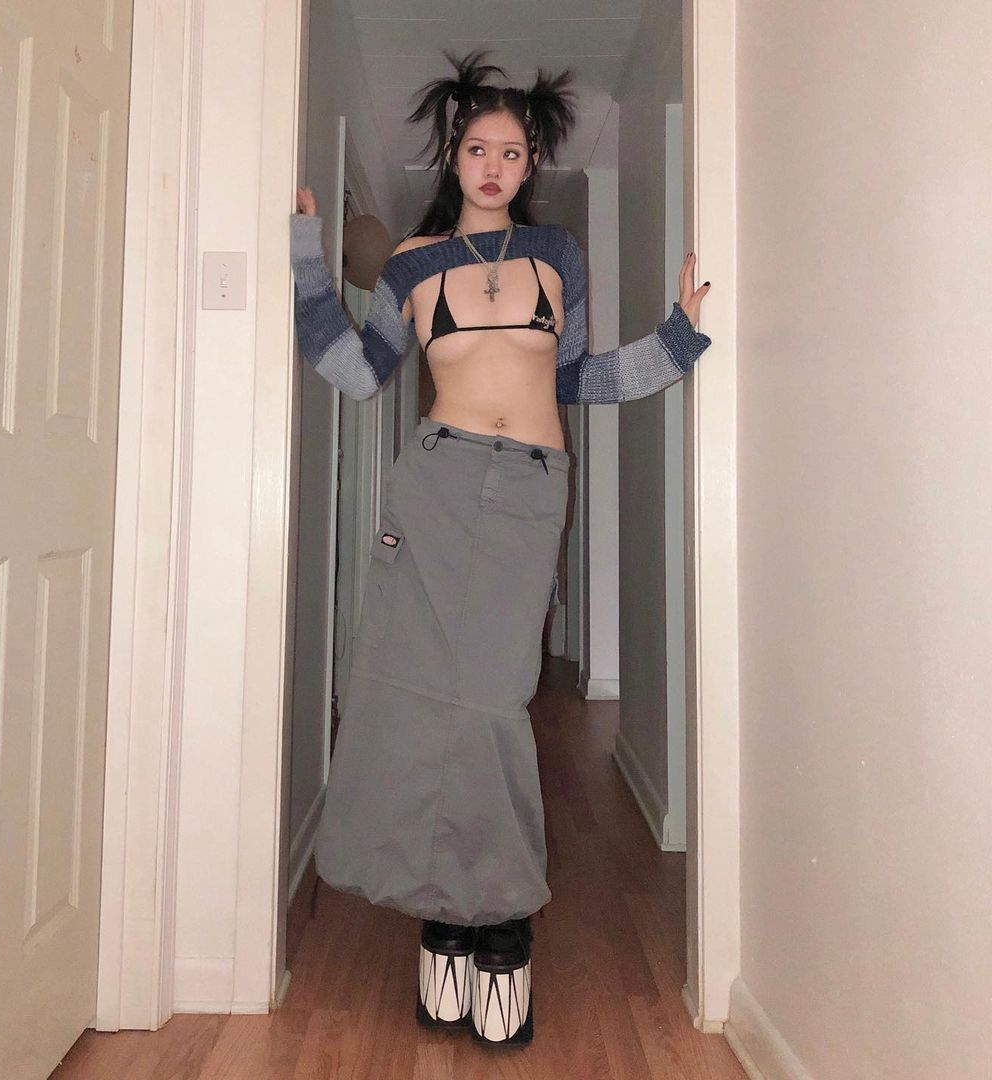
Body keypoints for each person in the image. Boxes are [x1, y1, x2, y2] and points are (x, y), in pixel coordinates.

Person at [289, 49, 712, 1047]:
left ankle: (500, 914)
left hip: (527, 490)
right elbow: (358, 373)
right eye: (477, 148)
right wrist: (307, 264)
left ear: (530, 165)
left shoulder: (558, 255)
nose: (493, 165)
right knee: (414, 693)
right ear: (454, 154)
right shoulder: (410, 265)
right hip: (435, 485)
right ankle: (448, 916)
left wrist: (677, 341)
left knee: (489, 700)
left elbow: (578, 380)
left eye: (511, 152)